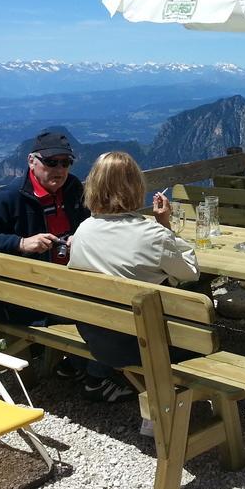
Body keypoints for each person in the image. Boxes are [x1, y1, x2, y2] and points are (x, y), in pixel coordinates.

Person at [68, 151, 199, 409]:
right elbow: (190, 272)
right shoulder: (152, 234)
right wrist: (164, 226)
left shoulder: (83, 230)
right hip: (143, 344)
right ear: (136, 186)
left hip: (96, 337)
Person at [0, 130, 89, 324]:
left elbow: (88, 222)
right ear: (31, 161)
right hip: (27, 298)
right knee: (107, 316)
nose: (59, 169)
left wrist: (81, 237)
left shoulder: (73, 188)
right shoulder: (9, 198)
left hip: (71, 283)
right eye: (51, 162)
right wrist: (21, 243)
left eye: (65, 162)